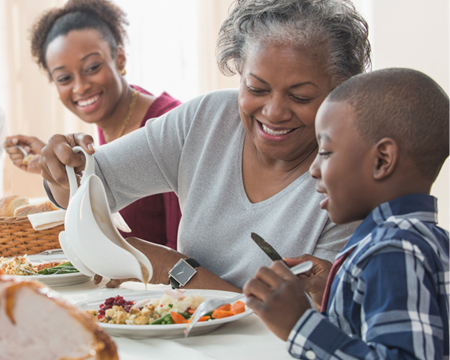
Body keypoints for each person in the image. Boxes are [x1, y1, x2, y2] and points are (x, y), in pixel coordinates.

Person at [39, 0, 371, 291]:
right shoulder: (207, 120)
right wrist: (61, 170)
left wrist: (167, 267)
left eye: (300, 96)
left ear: (341, 91)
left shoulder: (353, 184)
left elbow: (301, 324)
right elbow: (89, 186)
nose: (274, 112)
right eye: (256, 89)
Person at [243, 68, 449, 359]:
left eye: (325, 152)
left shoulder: (391, 250)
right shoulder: (429, 242)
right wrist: (337, 290)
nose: (314, 169)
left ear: (382, 160)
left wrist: (300, 325)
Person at [3, 0, 181, 249]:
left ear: (119, 57)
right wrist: (58, 169)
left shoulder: (168, 128)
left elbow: (185, 251)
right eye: (65, 78)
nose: (81, 87)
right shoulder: (110, 120)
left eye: (92, 67)